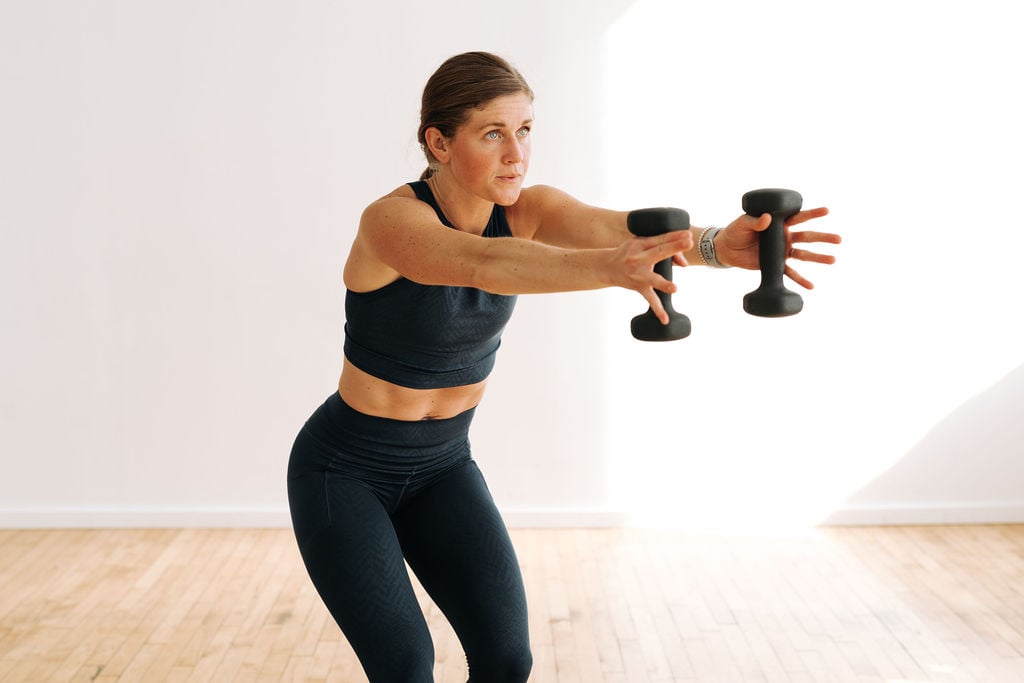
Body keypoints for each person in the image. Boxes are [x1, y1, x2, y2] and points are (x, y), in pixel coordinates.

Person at [287, 51, 840, 683]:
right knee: (406, 665)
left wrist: (719, 245)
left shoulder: (528, 209)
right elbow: (482, 264)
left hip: (443, 464)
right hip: (344, 470)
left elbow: (617, 227)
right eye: (492, 134)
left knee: (506, 659)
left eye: (524, 131)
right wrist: (610, 269)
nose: (515, 154)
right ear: (438, 142)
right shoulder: (390, 222)